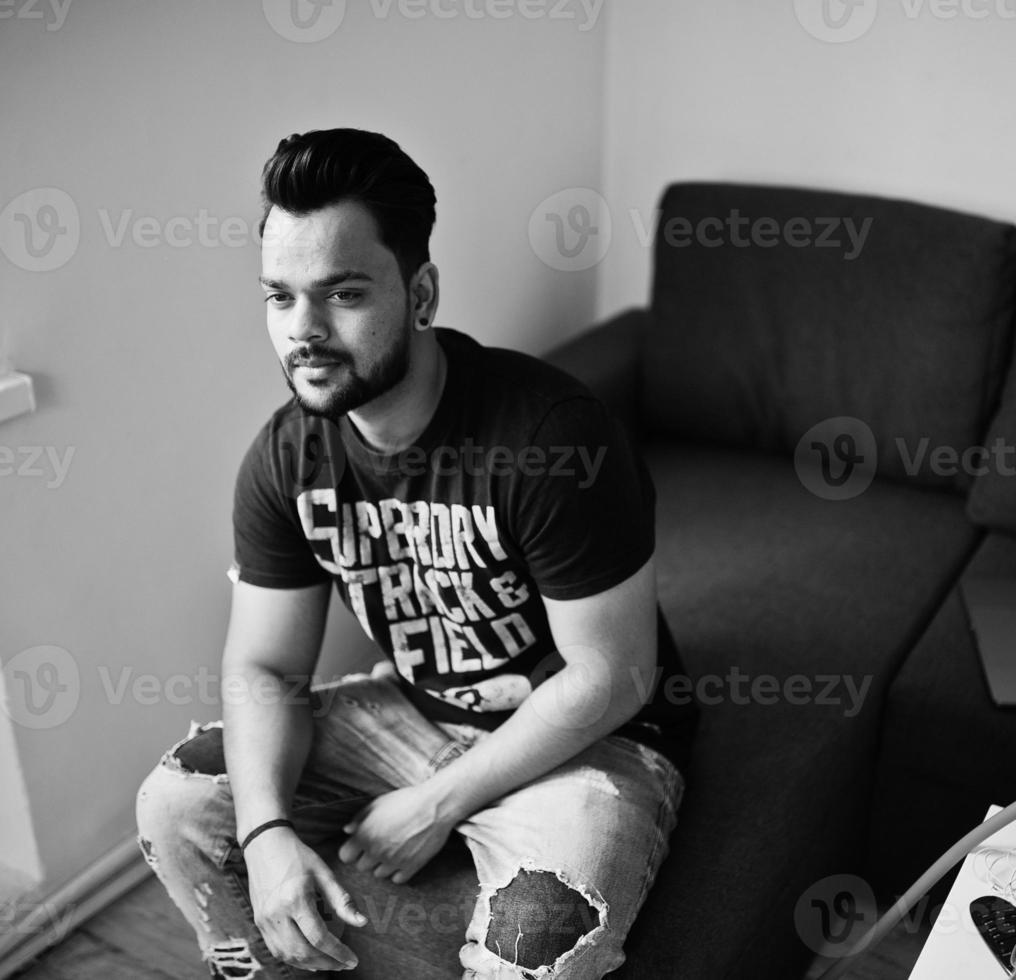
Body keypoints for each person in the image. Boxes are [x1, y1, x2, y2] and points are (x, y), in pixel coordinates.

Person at [135, 128, 697, 980]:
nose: (304, 332)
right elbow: (264, 666)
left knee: (538, 939)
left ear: (421, 292)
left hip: (584, 743)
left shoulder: (549, 436)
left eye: (343, 294)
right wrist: (268, 832)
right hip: (411, 708)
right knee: (176, 802)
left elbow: (612, 674)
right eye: (278, 298)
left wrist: (436, 805)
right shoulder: (285, 458)